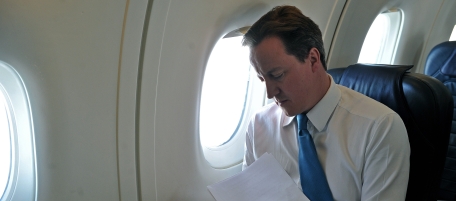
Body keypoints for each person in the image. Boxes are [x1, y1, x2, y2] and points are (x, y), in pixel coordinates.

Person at [241, 5, 410, 200]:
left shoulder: (380, 128)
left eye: (277, 75)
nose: (270, 93)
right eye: (262, 79)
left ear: (313, 59)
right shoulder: (259, 125)